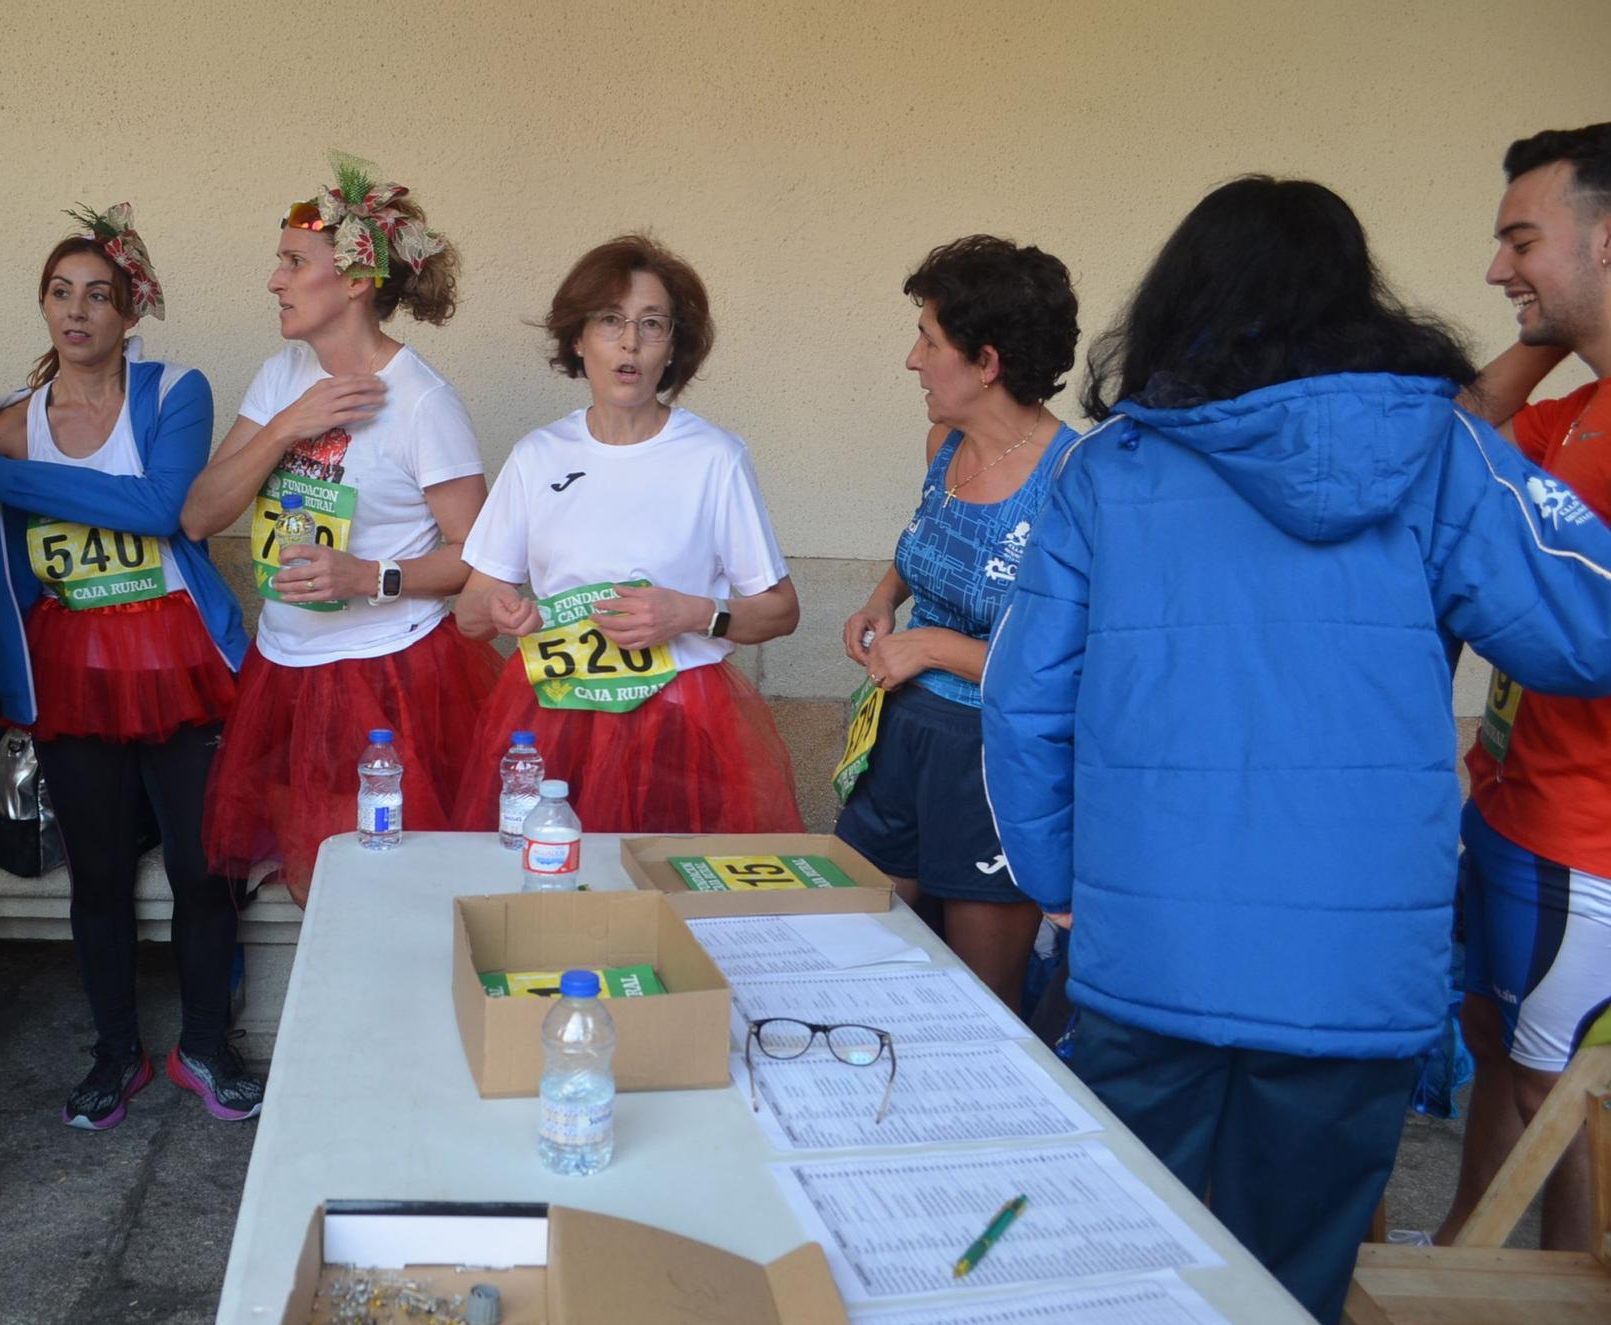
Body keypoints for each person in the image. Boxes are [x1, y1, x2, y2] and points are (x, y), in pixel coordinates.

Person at [980, 176, 1611, 1325]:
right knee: (1290, 1283)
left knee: (1120, 1271)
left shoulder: (1103, 469)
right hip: (1352, 974)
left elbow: (1022, 705)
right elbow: (1588, 626)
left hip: (1147, 952)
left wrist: (1058, 883)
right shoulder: (1442, 454)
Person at [0, 205, 259, 1128]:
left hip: (178, 657)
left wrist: (5, 479)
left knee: (206, 866)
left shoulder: (174, 393)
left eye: (100, 294)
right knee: (95, 872)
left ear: (133, 311)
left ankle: (205, 1043)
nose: (78, 311)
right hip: (74, 663)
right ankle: (114, 1051)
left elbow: (163, 507)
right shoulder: (8, 423)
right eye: (60, 292)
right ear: (43, 307)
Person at [187, 153, 498, 904]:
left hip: (392, 675)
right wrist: (290, 423)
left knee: (389, 892)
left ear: (356, 280)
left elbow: (484, 559)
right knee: (311, 887)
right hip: (286, 671)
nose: (275, 280)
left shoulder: (423, 402)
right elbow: (200, 514)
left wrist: (370, 577)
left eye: (294, 262)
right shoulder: (282, 377)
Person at [452, 234, 803, 834]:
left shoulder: (713, 458)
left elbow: (780, 610)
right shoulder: (538, 456)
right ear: (578, 339)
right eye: (610, 320)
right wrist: (503, 610)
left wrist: (693, 612)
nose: (630, 342)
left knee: (671, 903)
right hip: (555, 715)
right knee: (549, 895)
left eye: (652, 324)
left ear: (674, 347)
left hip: (680, 723)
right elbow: (470, 612)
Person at [1438, 121, 1611, 1253]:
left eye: (1520, 239)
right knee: (1500, 1067)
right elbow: (1452, 429)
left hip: (1580, 840)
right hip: (1509, 804)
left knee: (1570, 1128)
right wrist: (1558, 324)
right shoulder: (1581, 410)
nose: (1497, 270)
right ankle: (1460, 1258)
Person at [835, 236, 1079, 1013]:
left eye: (929, 340)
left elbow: (1073, 666)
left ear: (987, 362)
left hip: (996, 760)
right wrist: (883, 599)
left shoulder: (1075, 480)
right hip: (900, 734)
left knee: (979, 1002)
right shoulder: (944, 444)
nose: (912, 359)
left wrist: (934, 646)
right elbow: (926, 539)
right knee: (860, 955)